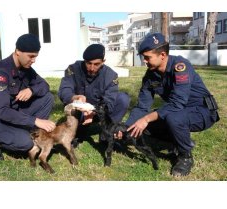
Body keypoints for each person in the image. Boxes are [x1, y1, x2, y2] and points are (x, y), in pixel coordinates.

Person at [123, 32, 220, 177]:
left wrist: (146, 119)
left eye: (147, 57)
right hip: (179, 111)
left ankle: (185, 156)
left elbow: (177, 102)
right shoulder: (150, 76)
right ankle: (179, 140)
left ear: (162, 55)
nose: (144, 61)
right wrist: (127, 128)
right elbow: (142, 106)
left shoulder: (180, 66)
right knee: (144, 124)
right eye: (143, 57)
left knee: (171, 118)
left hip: (203, 111)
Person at [0, 33, 56, 160]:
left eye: (35, 56)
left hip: (14, 111)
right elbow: (2, 112)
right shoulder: (0, 73)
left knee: (48, 98)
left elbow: (44, 85)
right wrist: (36, 121)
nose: (34, 60)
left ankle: (29, 131)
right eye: (31, 56)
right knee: (26, 143)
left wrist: (31, 90)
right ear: (18, 51)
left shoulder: (25, 68)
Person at [58, 43, 130, 145]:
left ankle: (106, 135)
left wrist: (94, 111)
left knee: (123, 98)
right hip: (79, 111)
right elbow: (64, 90)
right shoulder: (74, 69)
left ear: (103, 62)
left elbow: (109, 101)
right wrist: (75, 98)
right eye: (88, 63)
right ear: (84, 61)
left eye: (96, 64)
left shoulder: (110, 75)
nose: (92, 68)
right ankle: (77, 133)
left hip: (99, 112)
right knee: (76, 131)